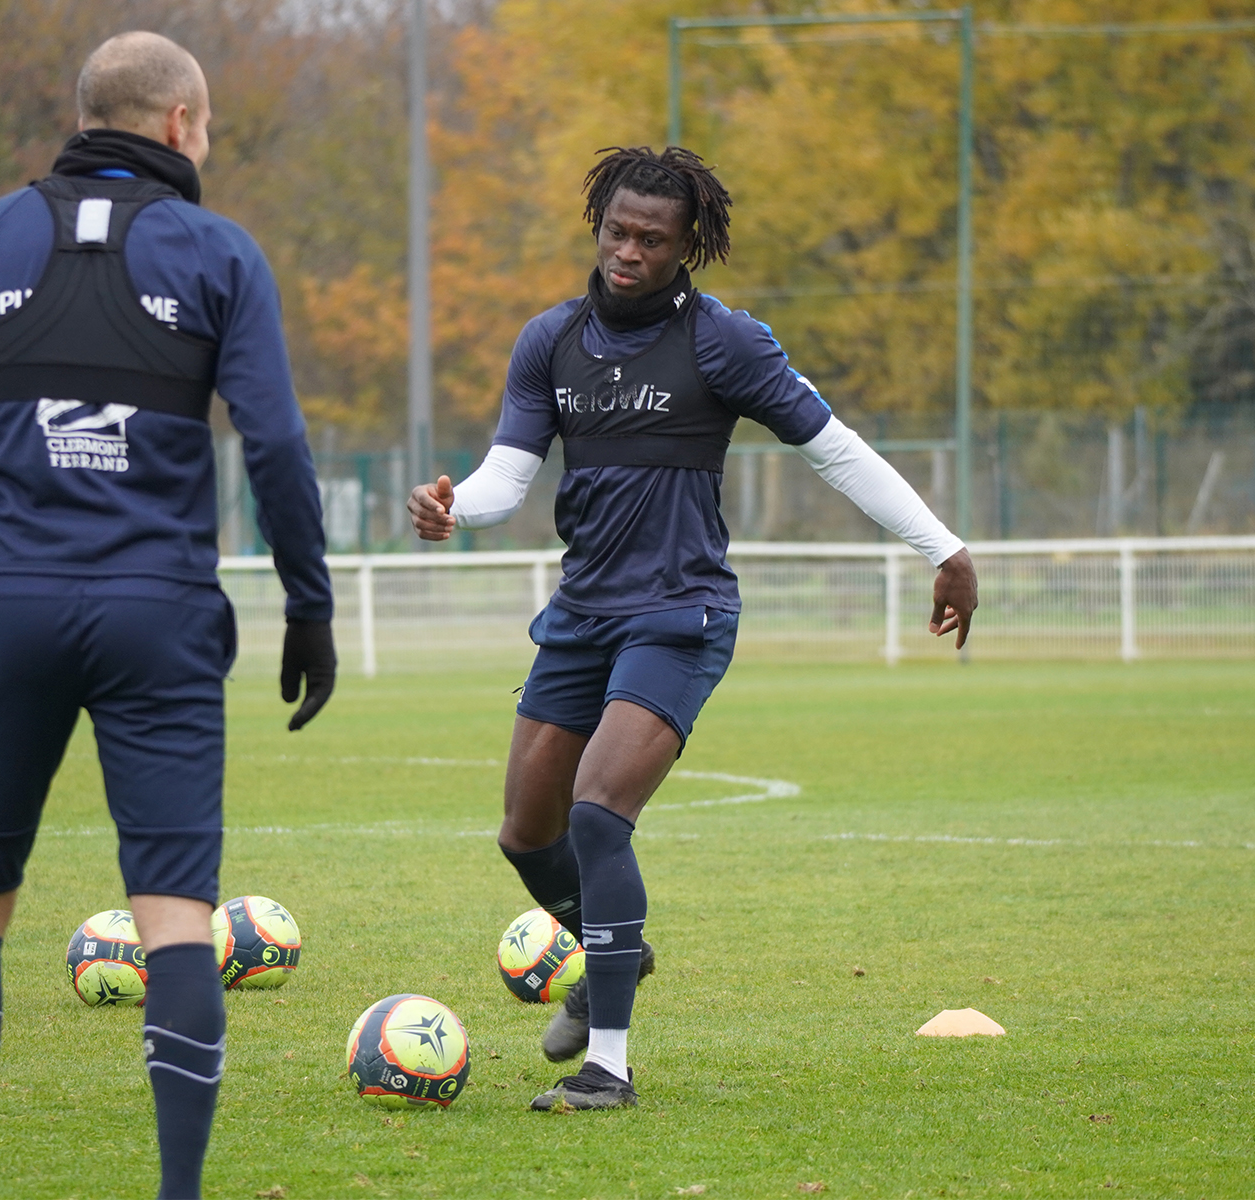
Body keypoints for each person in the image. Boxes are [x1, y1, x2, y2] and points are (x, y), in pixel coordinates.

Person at [408, 146, 977, 1112]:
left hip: (681, 613)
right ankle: (616, 949)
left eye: (652, 239)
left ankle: (610, 1069)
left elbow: (835, 451)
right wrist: (456, 506)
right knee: (524, 832)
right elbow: (510, 473)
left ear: (687, 248)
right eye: (617, 231)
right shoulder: (550, 339)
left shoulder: (725, 344)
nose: (628, 251)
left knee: (597, 812)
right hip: (582, 614)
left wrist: (943, 546)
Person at [0, 32, 336, 1199]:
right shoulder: (221, 252)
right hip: (162, 618)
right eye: (213, 128)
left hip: (10, 608)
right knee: (178, 913)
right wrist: (308, 603)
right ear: (180, 124)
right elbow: (277, 443)